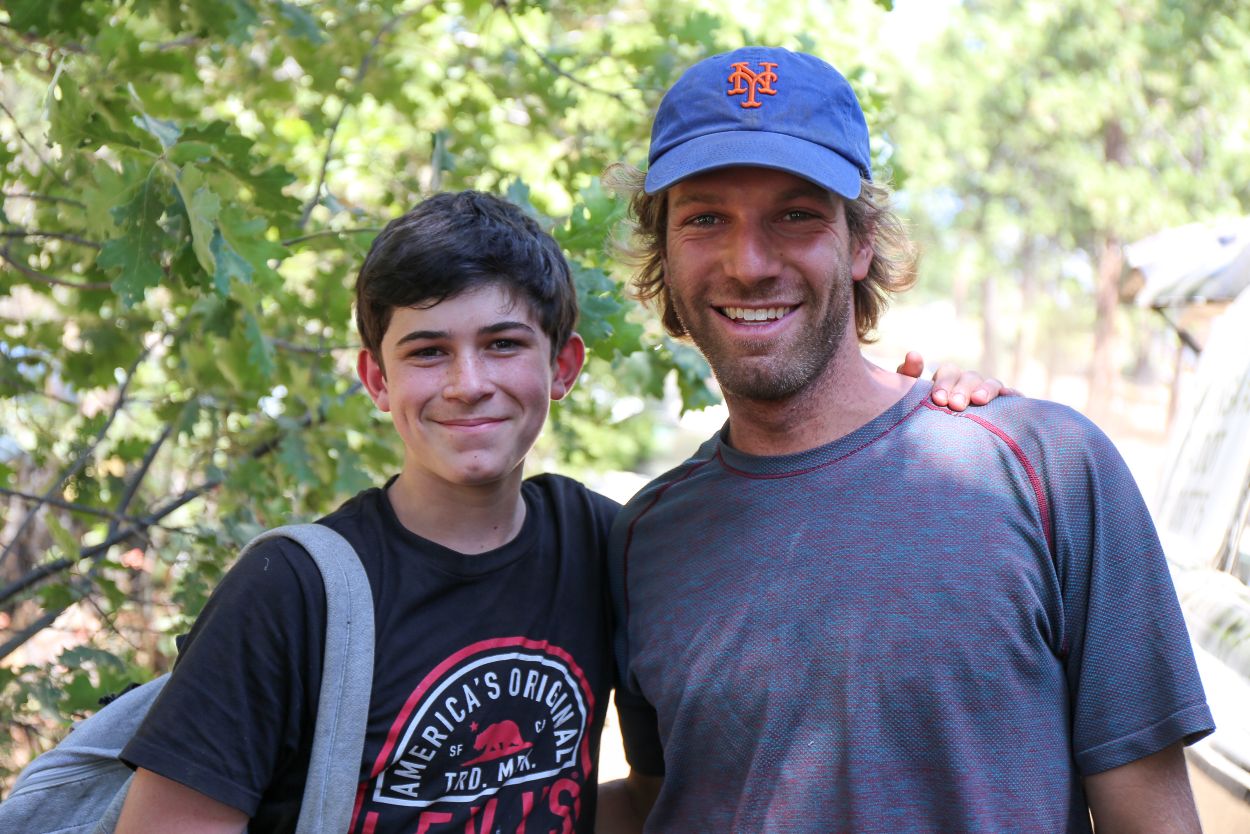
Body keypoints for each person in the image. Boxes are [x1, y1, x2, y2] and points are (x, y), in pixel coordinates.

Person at [113, 189, 999, 833]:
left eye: (503, 344)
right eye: (427, 352)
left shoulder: (607, 545)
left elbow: (633, 796)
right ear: (376, 379)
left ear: (562, 367)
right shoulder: (294, 591)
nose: (469, 383)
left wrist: (916, 416)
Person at [602, 46, 1214, 833]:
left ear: (860, 243)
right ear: (664, 251)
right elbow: (659, 804)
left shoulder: (1047, 470)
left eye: (796, 214)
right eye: (704, 218)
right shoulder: (644, 539)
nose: (747, 264)